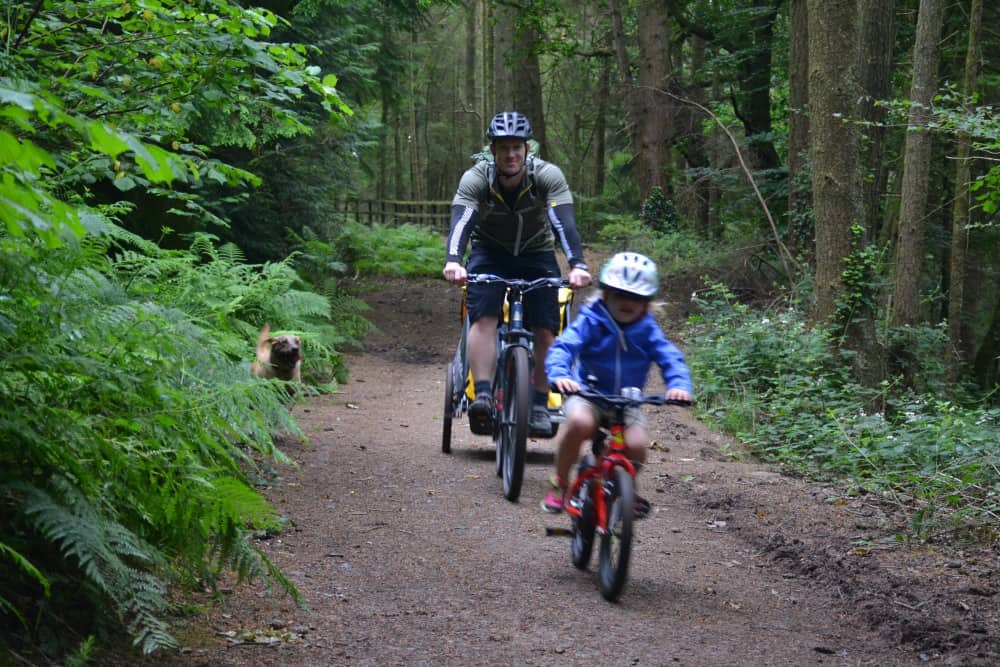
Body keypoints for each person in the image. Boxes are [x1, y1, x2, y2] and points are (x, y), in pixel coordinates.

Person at [443, 111, 592, 436]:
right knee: (484, 318)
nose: (511, 154)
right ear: (492, 149)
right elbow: (463, 220)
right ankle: (482, 395)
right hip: (489, 252)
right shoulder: (476, 178)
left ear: (527, 149)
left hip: (536, 252)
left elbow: (563, 223)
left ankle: (539, 403)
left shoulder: (547, 176)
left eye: (517, 148)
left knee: (546, 328)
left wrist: (577, 264)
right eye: (504, 148)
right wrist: (454, 260)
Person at [541, 252, 693, 514]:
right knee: (580, 423)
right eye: (620, 294)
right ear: (605, 295)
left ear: (646, 304)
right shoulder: (592, 320)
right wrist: (560, 375)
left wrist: (678, 385)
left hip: (627, 401)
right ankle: (560, 482)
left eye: (636, 297)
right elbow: (564, 347)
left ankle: (626, 487)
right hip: (588, 394)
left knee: (635, 445)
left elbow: (670, 356)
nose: (627, 302)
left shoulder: (647, 329)